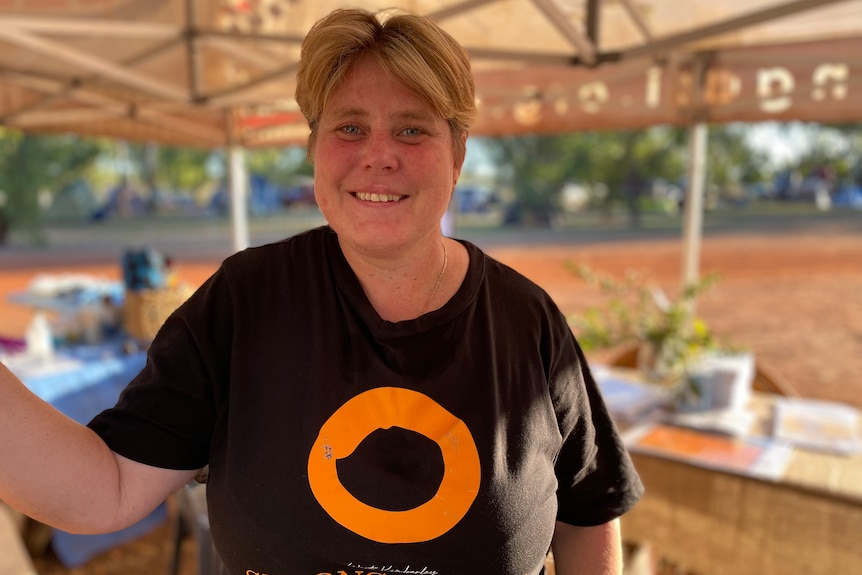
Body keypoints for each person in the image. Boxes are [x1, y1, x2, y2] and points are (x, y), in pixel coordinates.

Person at [0, 8, 642, 575]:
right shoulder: (244, 303)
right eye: (350, 128)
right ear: (314, 150)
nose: (379, 155)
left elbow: (587, 514)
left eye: (413, 129)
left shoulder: (525, 322)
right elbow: (106, 487)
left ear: (459, 153)